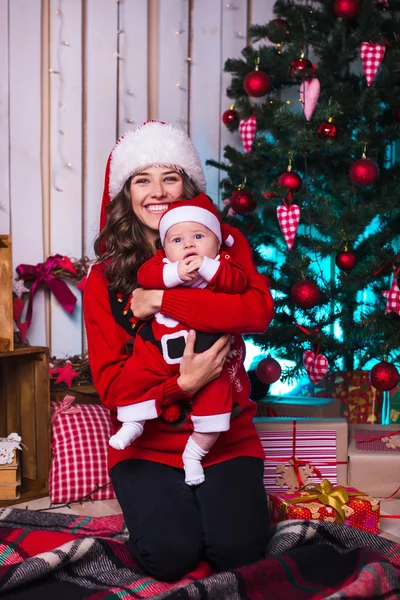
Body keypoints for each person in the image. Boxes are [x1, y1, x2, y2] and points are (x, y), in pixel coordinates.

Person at [83, 120, 274, 582]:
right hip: (147, 445)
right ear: (125, 193)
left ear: (187, 185)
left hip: (227, 435)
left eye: (170, 177)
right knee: (171, 557)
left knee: (240, 555)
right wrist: (182, 384)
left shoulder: (223, 245)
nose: (157, 191)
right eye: (142, 180)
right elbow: (113, 388)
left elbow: (255, 311)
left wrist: (163, 300)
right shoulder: (103, 279)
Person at [109, 193, 249, 486]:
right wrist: (175, 273)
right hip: (160, 347)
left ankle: (194, 454)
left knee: (215, 405)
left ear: (217, 242)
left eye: (199, 236)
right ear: (165, 248)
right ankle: (133, 421)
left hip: (207, 353)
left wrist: (208, 267)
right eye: (177, 240)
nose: (188, 244)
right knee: (135, 377)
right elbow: (147, 275)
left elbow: (239, 285)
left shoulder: (224, 264)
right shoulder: (161, 265)